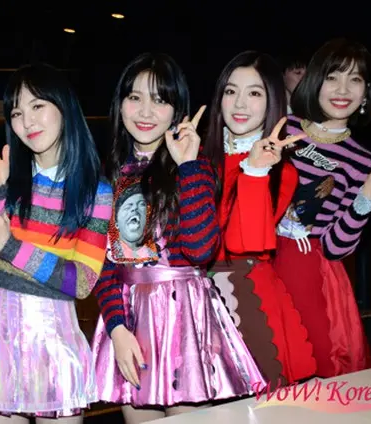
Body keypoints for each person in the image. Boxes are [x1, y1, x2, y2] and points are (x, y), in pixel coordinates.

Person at [91, 52, 266, 424]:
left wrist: (187, 165)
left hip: (184, 319)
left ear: (176, 109)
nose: (145, 111)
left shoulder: (196, 167)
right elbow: (103, 264)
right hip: (130, 320)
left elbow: (201, 250)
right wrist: (117, 328)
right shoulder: (109, 175)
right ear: (120, 105)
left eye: (159, 100)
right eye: (135, 97)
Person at [0, 63, 113, 423]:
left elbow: (81, 281)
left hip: (54, 332)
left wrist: (10, 247)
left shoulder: (95, 191)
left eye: (37, 106)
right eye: (16, 113)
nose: (27, 121)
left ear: (64, 107)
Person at [275, 38, 371, 377]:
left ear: (366, 93)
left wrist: (367, 195)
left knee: (309, 371)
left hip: (307, 272)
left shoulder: (362, 161)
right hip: (255, 259)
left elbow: (336, 248)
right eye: (332, 77)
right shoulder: (282, 129)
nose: (342, 89)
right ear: (315, 82)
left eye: (355, 79)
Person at [203, 51, 316, 389]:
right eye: (230, 91)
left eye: (254, 93)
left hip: (247, 298)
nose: (239, 103)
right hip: (194, 298)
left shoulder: (281, 171)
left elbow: (245, 242)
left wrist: (254, 173)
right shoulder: (198, 158)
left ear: (272, 103)